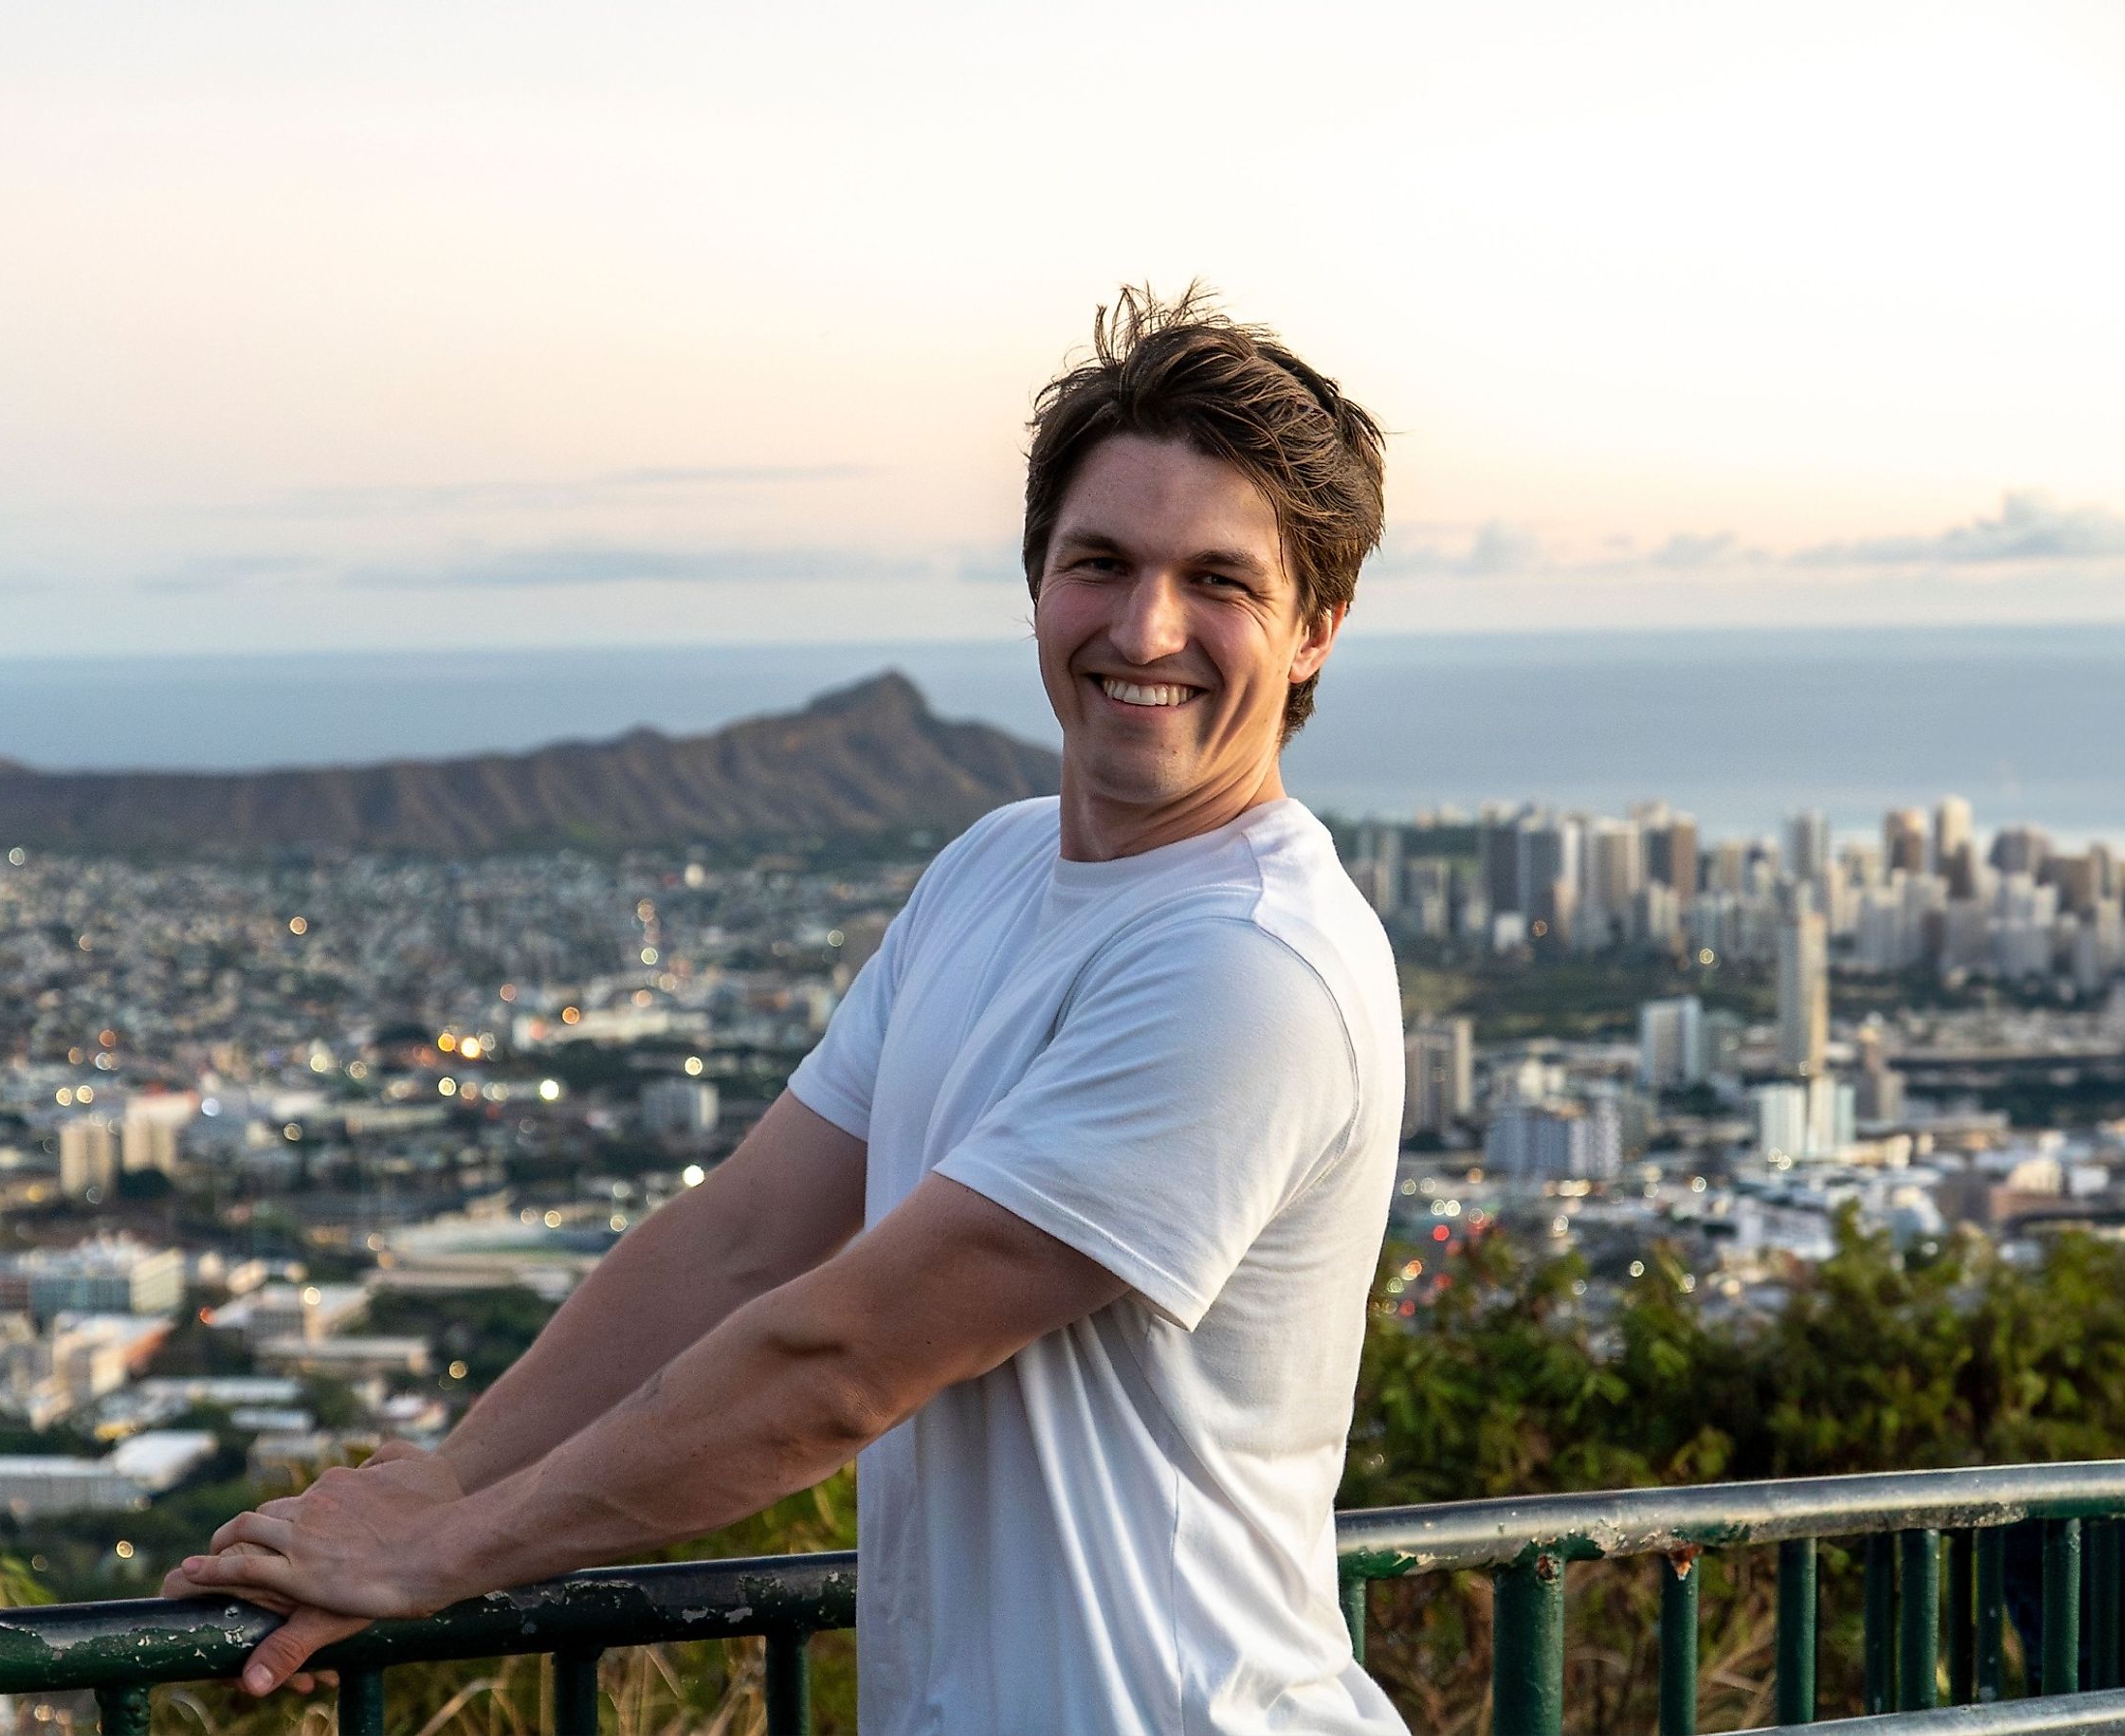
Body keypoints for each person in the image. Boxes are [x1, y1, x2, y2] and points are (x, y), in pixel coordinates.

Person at [166, 284, 1410, 1735]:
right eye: (1101, 561)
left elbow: (840, 1363)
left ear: (1315, 628)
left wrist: (445, 1552)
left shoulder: (1249, 965)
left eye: (1221, 581)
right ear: (1036, 583)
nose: (1147, 625)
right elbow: (741, 1238)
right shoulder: (994, 868)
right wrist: (448, 1476)